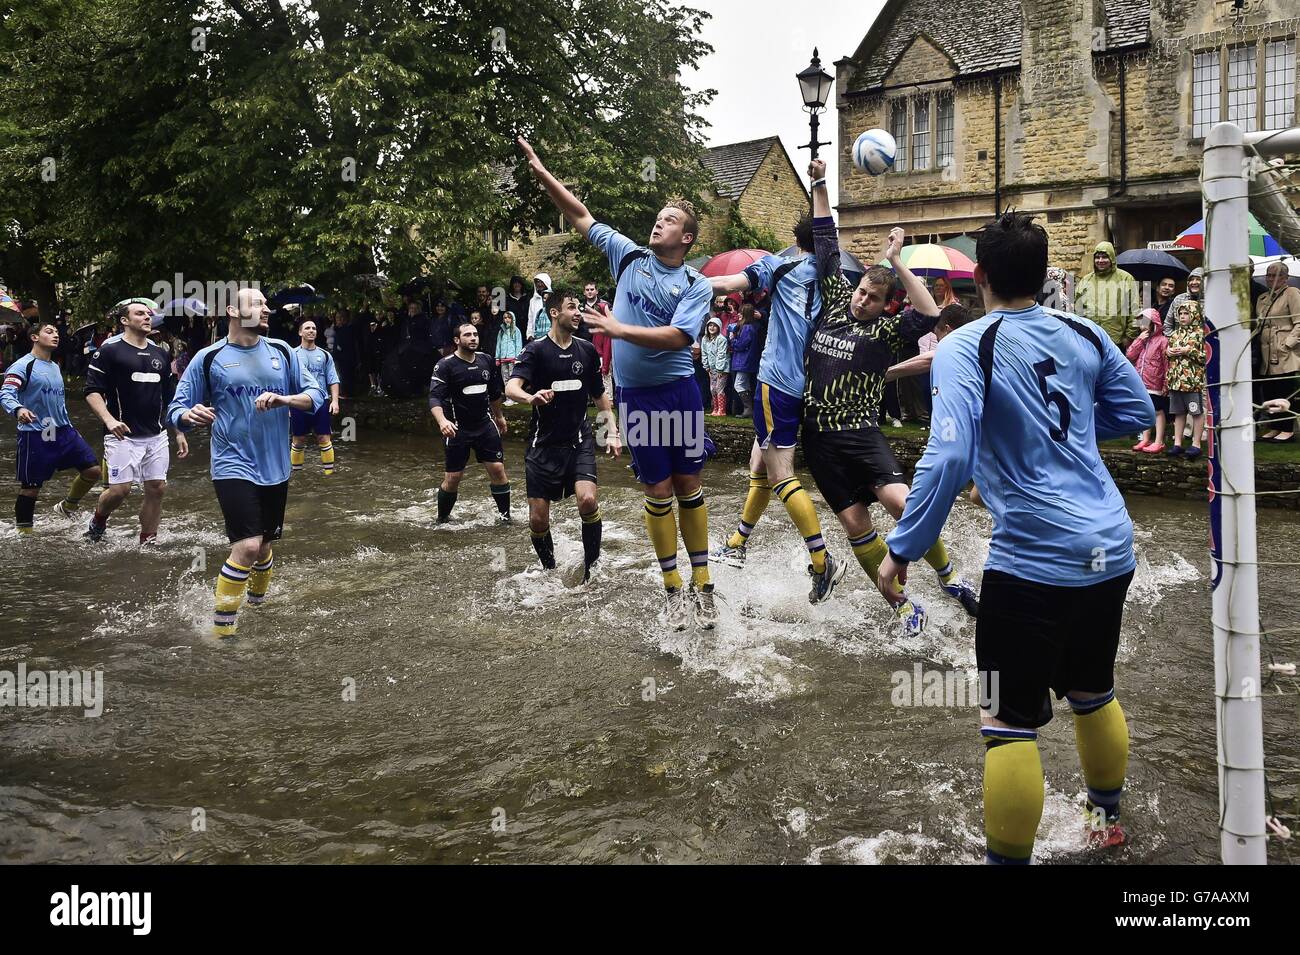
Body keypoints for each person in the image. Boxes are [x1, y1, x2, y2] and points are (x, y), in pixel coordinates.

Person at [880, 210, 1154, 863]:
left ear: (978, 278)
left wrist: (902, 549)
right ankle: (1105, 822)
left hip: (1033, 560)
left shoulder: (963, 345)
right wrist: (1066, 444)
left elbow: (946, 458)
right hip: (1110, 547)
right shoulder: (1083, 330)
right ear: (1043, 270)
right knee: (1093, 690)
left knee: (1007, 726)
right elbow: (1137, 410)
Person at [519, 135, 718, 631]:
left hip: (679, 393)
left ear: (687, 239)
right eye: (660, 215)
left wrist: (617, 328)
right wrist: (544, 175)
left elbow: (677, 338)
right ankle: (672, 586)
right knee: (657, 489)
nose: (659, 221)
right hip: (636, 398)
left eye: (670, 219)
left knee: (688, 483)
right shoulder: (627, 257)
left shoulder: (696, 285)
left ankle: (704, 580)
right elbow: (581, 215)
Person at [794, 166, 977, 633]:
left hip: (861, 434)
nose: (862, 301)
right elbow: (825, 240)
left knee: (902, 504)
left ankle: (948, 576)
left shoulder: (888, 330)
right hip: (819, 441)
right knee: (856, 526)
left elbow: (931, 311)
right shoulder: (835, 303)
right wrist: (819, 184)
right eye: (861, 292)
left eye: (873, 298)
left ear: (884, 304)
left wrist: (896, 261)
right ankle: (901, 607)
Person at [705, 206, 845, 603]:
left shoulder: (779, 266)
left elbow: (728, 282)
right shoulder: (833, 280)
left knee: (780, 473)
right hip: (801, 385)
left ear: (796, 240)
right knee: (758, 465)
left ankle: (822, 561)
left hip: (775, 381)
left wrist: (682, 281)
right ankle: (737, 542)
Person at [167, 287, 325, 637]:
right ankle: (224, 633)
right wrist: (187, 415)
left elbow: (317, 395)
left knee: (265, 545)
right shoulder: (208, 358)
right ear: (232, 311)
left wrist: (285, 399)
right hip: (231, 462)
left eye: (267, 304)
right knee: (248, 546)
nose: (267, 309)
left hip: (276, 465)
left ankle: (257, 606)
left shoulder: (283, 352)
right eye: (258, 304)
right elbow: (175, 408)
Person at [506, 287, 621, 581]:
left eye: (579, 307)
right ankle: (549, 570)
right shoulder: (535, 350)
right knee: (537, 519)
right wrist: (529, 398)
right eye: (572, 306)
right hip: (542, 446)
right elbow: (511, 387)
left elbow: (599, 395)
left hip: (578, 442)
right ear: (555, 312)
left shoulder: (587, 350)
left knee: (587, 501)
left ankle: (591, 572)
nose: (578, 312)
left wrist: (611, 430)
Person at [83, 298, 189, 543]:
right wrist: (109, 420)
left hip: (156, 434)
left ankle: (148, 542)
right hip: (121, 434)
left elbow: (169, 396)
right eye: (140, 313)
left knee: (157, 488)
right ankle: (99, 519)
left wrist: (179, 431)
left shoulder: (160, 353)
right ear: (124, 321)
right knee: (120, 491)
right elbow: (92, 391)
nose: (147, 317)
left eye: (148, 314)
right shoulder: (109, 350)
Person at [1, 319, 102, 532]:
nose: (56, 334)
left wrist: (70, 426)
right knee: (31, 488)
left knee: (93, 470)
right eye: (49, 331)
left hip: (63, 430)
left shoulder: (56, 366)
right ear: (34, 338)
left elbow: (57, 402)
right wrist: (18, 409)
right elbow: (6, 393)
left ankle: (67, 506)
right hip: (36, 432)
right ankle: (24, 534)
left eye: (57, 332)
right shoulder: (22, 365)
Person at [428, 321, 512, 524]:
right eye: (468, 335)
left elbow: (493, 393)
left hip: (485, 425)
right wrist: (442, 421)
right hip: (457, 428)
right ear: (457, 340)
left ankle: (505, 517)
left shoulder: (487, 360)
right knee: (453, 478)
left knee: (498, 470)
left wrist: (499, 416)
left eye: (475, 334)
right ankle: (442, 519)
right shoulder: (445, 365)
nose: (473, 337)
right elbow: (434, 398)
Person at [1255, 262, 1300, 442]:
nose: (1272, 279)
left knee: (1284, 389)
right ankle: (1275, 427)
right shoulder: (1263, 298)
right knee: (1270, 390)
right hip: (1266, 352)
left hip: (1284, 352)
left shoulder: (1292, 294)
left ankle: (1287, 429)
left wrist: (1287, 344)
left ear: (1285, 278)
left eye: (1276, 275)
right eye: (1269, 275)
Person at [290, 319, 341, 475]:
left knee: (324, 438)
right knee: (298, 440)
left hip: (321, 403)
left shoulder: (325, 355)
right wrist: (286, 405)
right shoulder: (292, 354)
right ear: (300, 332)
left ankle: (329, 475)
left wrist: (335, 401)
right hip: (298, 402)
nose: (311, 330)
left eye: (314, 328)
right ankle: (297, 475)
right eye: (307, 328)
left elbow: (333, 379)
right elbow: (285, 380)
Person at [1075, 240, 1139, 347]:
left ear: (1112, 258)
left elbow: (1135, 310)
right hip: (1091, 339)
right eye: (1097, 257)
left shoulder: (1126, 278)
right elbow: (1077, 310)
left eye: (1104, 257)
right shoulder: (1086, 280)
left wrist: (1129, 337)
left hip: (1117, 340)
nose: (1100, 260)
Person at [1164, 299, 1206, 459]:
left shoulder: (1201, 335)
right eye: (1180, 313)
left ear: (1194, 315)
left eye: (1186, 313)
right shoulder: (1175, 334)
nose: (1182, 316)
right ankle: (1177, 443)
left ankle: (1196, 443)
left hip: (1192, 382)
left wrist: (1190, 351)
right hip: (1176, 381)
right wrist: (1168, 352)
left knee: (1196, 412)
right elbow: (1166, 354)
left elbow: (1205, 357)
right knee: (1178, 412)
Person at [1127, 307, 1168, 454]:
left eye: (1145, 322)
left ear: (1153, 323)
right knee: (1145, 411)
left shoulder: (1162, 341)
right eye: (1141, 322)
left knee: (1157, 411)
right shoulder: (1142, 340)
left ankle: (1159, 441)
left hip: (1155, 382)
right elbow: (1130, 355)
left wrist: (1166, 383)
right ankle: (1145, 439)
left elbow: (1166, 363)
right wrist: (1139, 340)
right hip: (1141, 382)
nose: (1142, 325)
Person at [728, 304, 759, 419]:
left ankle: (748, 409)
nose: (739, 314)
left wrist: (732, 339)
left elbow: (741, 345)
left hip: (744, 361)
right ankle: (749, 410)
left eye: (741, 313)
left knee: (739, 384)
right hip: (744, 360)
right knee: (744, 384)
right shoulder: (747, 327)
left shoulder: (747, 328)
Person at [700, 317, 730, 416]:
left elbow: (721, 354)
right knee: (712, 389)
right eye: (710, 325)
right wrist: (706, 367)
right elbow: (704, 353)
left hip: (722, 368)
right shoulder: (705, 339)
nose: (712, 328)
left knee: (719, 388)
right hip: (711, 368)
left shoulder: (721, 339)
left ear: (719, 327)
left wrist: (720, 369)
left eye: (714, 326)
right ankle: (715, 409)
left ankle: (722, 410)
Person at [495, 312, 523, 403]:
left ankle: (515, 398)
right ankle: (509, 398)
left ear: (512, 319)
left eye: (509, 317)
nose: (507, 319)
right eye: (505, 318)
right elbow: (498, 344)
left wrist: (517, 358)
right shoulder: (501, 331)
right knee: (505, 378)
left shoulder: (516, 330)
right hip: (503, 359)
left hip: (513, 358)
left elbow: (518, 345)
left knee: (513, 378)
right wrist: (497, 357)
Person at [527, 273, 553, 343]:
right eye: (537, 282)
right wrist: (529, 334)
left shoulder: (553, 297)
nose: (539, 284)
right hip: (536, 335)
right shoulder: (533, 300)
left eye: (541, 282)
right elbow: (530, 318)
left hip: (551, 335)